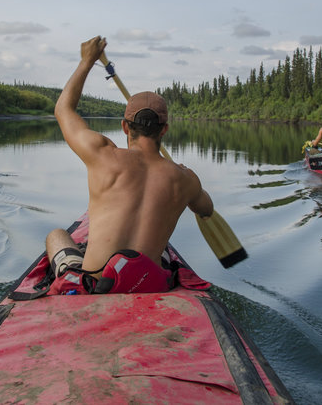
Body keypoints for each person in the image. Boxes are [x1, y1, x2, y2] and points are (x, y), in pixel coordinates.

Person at [45, 36, 214, 295]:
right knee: (162, 251)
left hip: (93, 286)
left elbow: (63, 110)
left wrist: (87, 61)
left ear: (125, 127)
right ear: (164, 130)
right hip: (146, 286)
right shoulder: (185, 179)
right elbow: (206, 208)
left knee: (56, 235)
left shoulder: (102, 155)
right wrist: (185, 175)